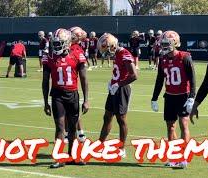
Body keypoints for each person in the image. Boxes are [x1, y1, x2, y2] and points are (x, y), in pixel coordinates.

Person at [42, 28, 89, 168]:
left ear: (68, 42)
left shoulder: (77, 54)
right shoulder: (49, 56)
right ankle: (59, 157)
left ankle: (72, 157)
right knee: (60, 127)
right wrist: (45, 102)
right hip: (57, 95)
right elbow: (45, 81)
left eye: (60, 43)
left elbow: (84, 79)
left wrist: (86, 100)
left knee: (73, 127)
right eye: (55, 43)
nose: (56, 46)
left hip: (73, 94)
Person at [151, 30, 196, 168]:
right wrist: (154, 98)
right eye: (163, 43)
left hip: (183, 95)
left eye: (167, 43)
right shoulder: (163, 59)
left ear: (175, 43)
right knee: (170, 127)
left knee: (184, 125)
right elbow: (159, 80)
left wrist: (191, 98)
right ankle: (173, 156)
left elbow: (193, 79)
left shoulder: (185, 57)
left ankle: (184, 157)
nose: (164, 46)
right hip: (169, 96)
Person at [98, 33, 138, 158]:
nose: (105, 52)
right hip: (114, 88)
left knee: (121, 119)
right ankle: (99, 145)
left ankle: (121, 148)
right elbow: (119, 72)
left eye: (106, 48)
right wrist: (112, 82)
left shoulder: (124, 53)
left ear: (113, 46)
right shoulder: (117, 54)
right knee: (107, 116)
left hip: (122, 89)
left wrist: (118, 84)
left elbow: (134, 75)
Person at [68, 26, 88, 143]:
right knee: (68, 112)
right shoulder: (67, 46)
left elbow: (83, 74)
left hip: (72, 82)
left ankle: (79, 133)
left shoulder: (77, 49)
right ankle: (72, 133)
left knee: (73, 112)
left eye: (74, 35)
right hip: (65, 80)